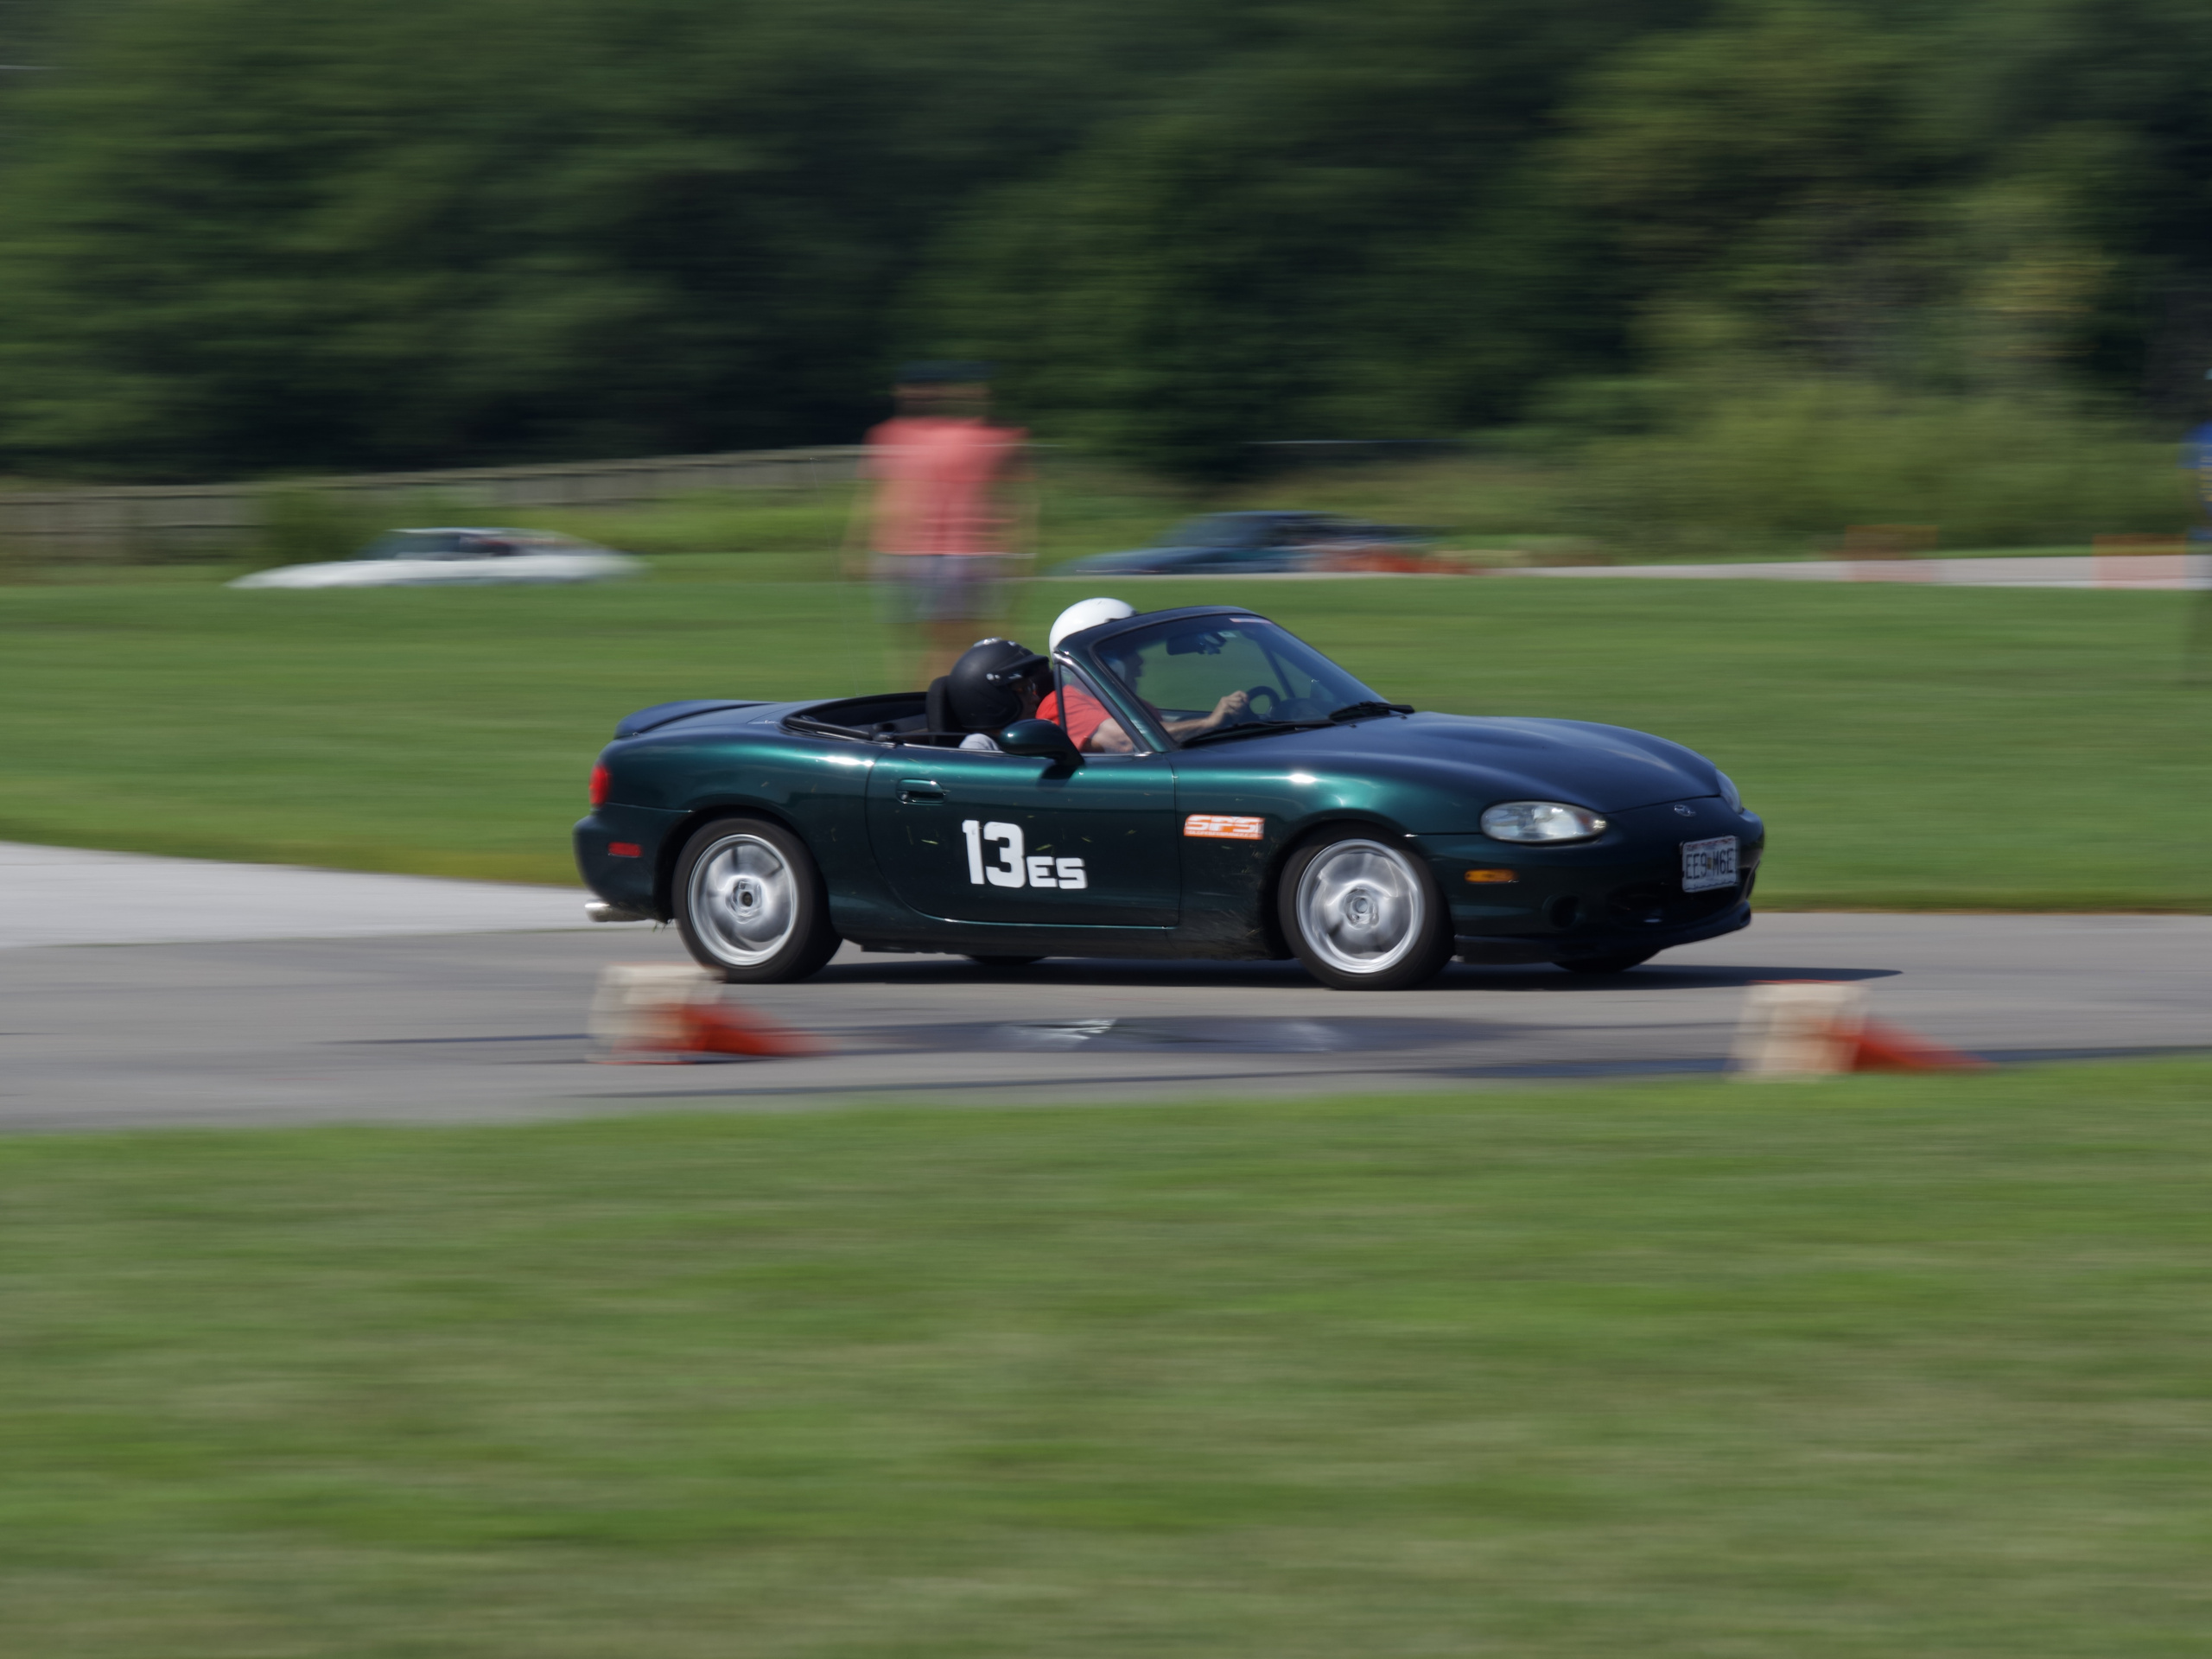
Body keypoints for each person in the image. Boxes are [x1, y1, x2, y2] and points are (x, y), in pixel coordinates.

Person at [846, 362, 1035, 685]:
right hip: (902, 551)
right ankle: (919, 701)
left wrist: (1020, 546)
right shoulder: (889, 434)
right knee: (911, 642)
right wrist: (855, 544)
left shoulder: (1000, 435)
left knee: (963, 639)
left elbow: (1022, 495)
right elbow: (872, 493)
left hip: (963, 550)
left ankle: (948, 701)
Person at [1033, 597, 1249, 752]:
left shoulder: (1142, 708)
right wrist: (1209, 723)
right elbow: (1124, 740)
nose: (1140, 661)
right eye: (1129, 652)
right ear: (1104, 657)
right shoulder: (1062, 704)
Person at [938, 636, 1048, 750]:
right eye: (1023, 690)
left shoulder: (1028, 738)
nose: (1035, 699)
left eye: (1032, 688)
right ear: (991, 698)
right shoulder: (979, 746)